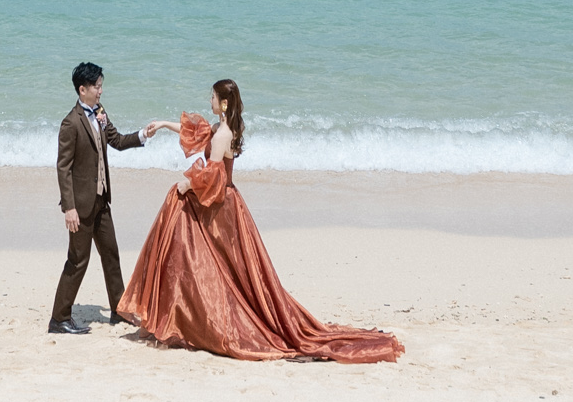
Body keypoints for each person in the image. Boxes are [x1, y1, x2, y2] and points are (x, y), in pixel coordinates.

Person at [119, 78, 401, 363]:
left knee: (216, 265)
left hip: (220, 207)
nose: (210, 102)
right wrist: (164, 125)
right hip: (224, 202)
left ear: (224, 102)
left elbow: (213, 176)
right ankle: (175, 315)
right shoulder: (220, 130)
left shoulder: (222, 135)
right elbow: (195, 132)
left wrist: (186, 185)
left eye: (213, 98)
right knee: (216, 264)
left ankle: (182, 317)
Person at [49, 60, 146, 334]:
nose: (101, 91)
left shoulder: (100, 113)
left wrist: (141, 135)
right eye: (97, 86)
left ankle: (118, 311)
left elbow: (115, 140)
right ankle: (59, 318)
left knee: (111, 254)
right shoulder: (70, 123)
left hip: (102, 201)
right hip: (80, 206)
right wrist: (68, 207)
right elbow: (63, 167)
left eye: (101, 86)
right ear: (83, 90)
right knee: (78, 260)